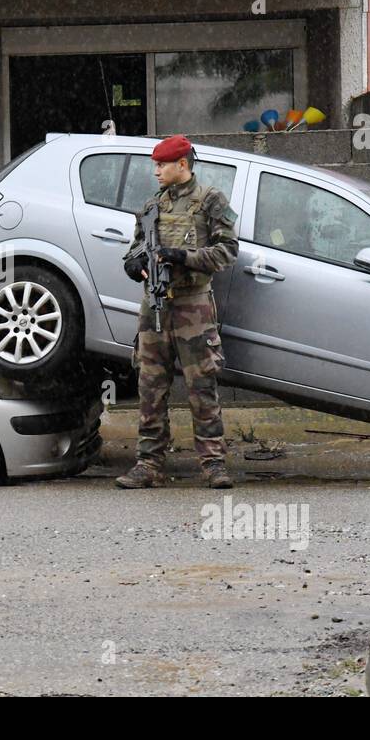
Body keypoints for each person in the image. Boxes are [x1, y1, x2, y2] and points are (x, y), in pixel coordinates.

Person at [117, 135, 239, 490]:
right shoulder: (151, 206)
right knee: (150, 385)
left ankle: (213, 463)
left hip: (193, 306)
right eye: (155, 165)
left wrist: (183, 257)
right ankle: (148, 463)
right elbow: (134, 250)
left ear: (182, 164)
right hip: (154, 305)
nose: (156, 171)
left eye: (162, 165)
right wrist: (133, 264)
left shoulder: (210, 201)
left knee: (202, 385)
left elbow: (227, 252)